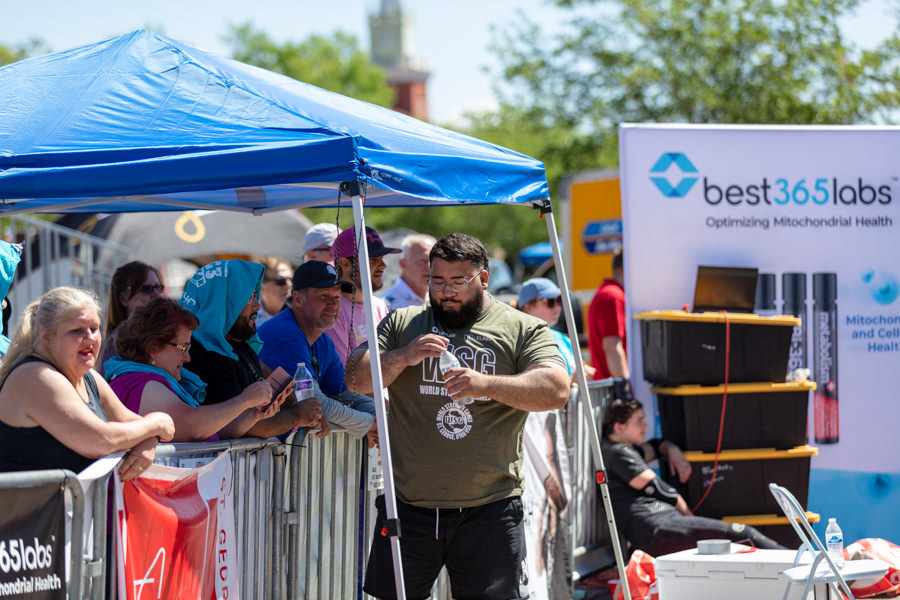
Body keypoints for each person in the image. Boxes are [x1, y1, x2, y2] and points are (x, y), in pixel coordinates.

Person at [349, 233, 570, 599]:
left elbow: (556, 389)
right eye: (437, 281)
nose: (446, 292)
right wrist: (402, 357)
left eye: (458, 282)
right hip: (408, 506)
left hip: (490, 509)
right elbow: (354, 377)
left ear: (483, 279)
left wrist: (487, 384)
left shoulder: (521, 327)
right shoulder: (404, 322)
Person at [0, 287, 174, 478]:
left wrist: (150, 441)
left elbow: (134, 426)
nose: (90, 338)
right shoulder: (34, 375)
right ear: (46, 337)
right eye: (77, 330)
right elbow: (102, 440)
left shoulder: (88, 377)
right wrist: (158, 422)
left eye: (94, 328)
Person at [601, 398, 785, 556]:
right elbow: (657, 488)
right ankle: (794, 562)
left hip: (656, 527)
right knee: (742, 534)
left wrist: (672, 450)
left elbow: (656, 446)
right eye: (639, 421)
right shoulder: (618, 453)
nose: (645, 426)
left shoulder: (617, 450)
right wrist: (688, 515)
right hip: (657, 527)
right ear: (619, 426)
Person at [180, 260, 325, 439]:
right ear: (223, 302)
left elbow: (267, 376)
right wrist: (296, 415)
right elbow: (247, 426)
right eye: (249, 297)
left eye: (256, 296)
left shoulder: (237, 343)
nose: (257, 306)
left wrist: (306, 410)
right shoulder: (204, 357)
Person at [105, 297, 282, 442]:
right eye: (183, 348)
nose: (188, 358)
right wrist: (244, 400)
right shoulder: (143, 383)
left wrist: (254, 414)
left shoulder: (146, 379)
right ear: (153, 348)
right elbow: (195, 428)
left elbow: (213, 432)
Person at [258, 261, 377, 443]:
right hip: (257, 451)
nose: (333, 304)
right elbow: (313, 402)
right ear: (298, 299)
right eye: (324, 296)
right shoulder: (286, 335)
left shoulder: (322, 340)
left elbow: (346, 396)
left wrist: (382, 419)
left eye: (337, 297)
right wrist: (370, 423)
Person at [325, 226, 400, 364]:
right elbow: (346, 373)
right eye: (372, 259)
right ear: (345, 264)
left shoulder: (378, 305)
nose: (383, 265)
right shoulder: (331, 310)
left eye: (381, 258)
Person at [518, 277, 596, 382]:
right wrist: (571, 380)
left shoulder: (563, 339)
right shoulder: (519, 342)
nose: (557, 307)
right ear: (528, 306)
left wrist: (584, 373)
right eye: (549, 301)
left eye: (559, 300)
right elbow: (534, 386)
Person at [99, 261, 165, 376]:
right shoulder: (117, 344)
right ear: (123, 299)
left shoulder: (163, 333)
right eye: (147, 289)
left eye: (158, 287)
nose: (157, 294)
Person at [588, 247, 628, 381]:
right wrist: (624, 387)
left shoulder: (609, 293)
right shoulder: (612, 295)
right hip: (612, 389)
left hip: (609, 387)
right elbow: (612, 346)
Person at [380, 233, 435, 310]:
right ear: (403, 264)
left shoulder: (439, 300)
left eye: (433, 261)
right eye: (423, 261)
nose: (430, 267)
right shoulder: (387, 306)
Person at [256, 256, 293, 325]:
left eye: (291, 280)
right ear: (261, 287)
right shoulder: (247, 315)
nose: (288, 285)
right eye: (281, 281)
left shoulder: (300, 314)